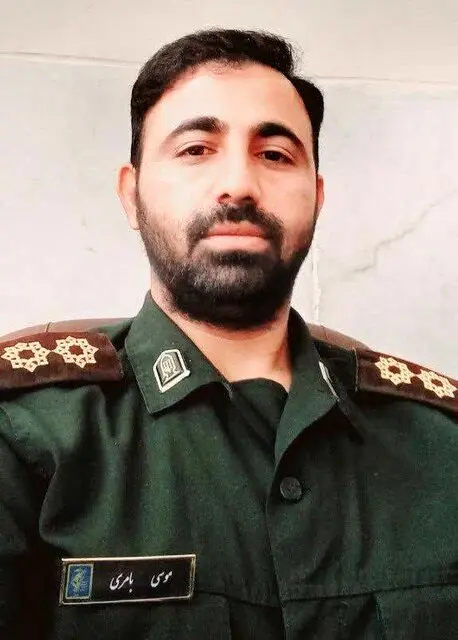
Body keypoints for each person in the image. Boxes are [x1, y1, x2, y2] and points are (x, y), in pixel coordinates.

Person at [1, 28, 457, 640]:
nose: (239, 184)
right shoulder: (24, 433)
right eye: (196, 149)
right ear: (131, 196)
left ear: (317, 198)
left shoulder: (441, 438)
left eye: (276, 155)